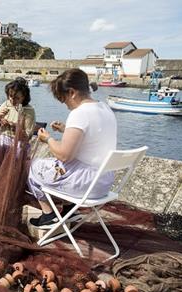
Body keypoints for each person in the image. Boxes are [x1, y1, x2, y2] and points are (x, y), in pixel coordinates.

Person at [27, 69, 117, 228]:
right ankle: (70, 210)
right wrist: (66, 129)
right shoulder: (105, 108)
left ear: (72, 92)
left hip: (86, 183)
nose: (65, 105)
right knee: (56, 166)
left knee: (32, 167)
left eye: (63, 99)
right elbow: (92, 137)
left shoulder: (80, 113)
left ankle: (49, 215)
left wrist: (47, 139)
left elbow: (64, 155)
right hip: (103, 181)